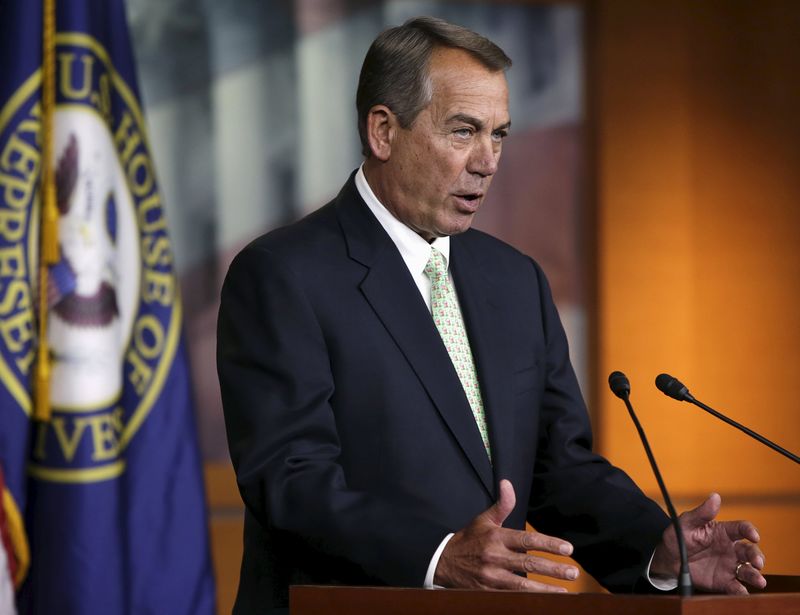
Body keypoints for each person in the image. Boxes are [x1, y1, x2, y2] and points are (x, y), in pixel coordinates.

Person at [217, 16, 766, 614]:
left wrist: (660, 551)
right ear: (383, 132)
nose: (489, 161)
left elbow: (560, 467)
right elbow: (290, 478)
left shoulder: (515, 280)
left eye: (499, 134)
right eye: (463, 131)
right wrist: (438, 554)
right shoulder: (284, 273)